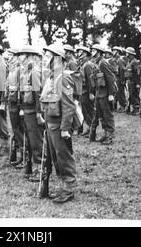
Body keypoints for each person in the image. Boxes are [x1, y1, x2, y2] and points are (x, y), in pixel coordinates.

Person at [39, 44, 81, 203]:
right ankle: (64, 186)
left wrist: (65, 129)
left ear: (56, 59)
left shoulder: (62, 78)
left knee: (64, 156)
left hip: (59, 125)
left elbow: (69, 106)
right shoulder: (52, 76)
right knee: (57, 157)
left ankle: (69, 188)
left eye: (48, 56)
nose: (45, 59)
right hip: (51, 123)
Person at [18, 46, 44, 181]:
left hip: (34, 111)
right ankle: (34, 167)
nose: (19, 58)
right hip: (28, 110)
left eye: (21, 55)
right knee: (30, 140)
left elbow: (38, 94)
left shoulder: (34, 72)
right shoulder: (26, 73)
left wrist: (39, 113)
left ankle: (40, 169)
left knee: (36, 141)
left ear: (29, 56)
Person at [89, 44, 117, 144]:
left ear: (98, 52)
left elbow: (110, 78)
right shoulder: (96, 63)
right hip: (99, 93)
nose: (92, 51)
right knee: (101, 115)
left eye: (93, 50)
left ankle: (110, 136)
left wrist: (111, 94)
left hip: (105, 93)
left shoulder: (103, 63)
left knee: (107, 115)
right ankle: (105, 134)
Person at [77, 46, 96, 137]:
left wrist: (91, 93)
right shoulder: (82, 64)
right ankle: (88, 127)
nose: (79, 54)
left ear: (85, 54)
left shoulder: (87, 65)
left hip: (87, 92)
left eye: (81, 52)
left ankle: (92, 129)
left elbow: (90, 80)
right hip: (82, 91)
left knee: (89, 111)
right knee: (85, 111)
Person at [125, 47, 141, 115]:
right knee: (131, 95)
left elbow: (137, 73)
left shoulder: (134, 62)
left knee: (134, 95)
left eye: (127, 53)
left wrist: (137, 83)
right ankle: (133, 108)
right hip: (130, 81)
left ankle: (136, 109)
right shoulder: (129, 61)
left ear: (130, 54)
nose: (126, 54)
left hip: (134, 81)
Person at [111, 46, 127, 112]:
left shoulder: (120, 60)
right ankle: (117, 106)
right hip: (115, 78)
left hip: (119, 79)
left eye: (114, 51)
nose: (113, 52)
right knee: (116, 93)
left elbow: (122, 70)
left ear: (118, 52)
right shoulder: (114, 60)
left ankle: (123, 106)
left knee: (121, 93)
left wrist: (123, 80)